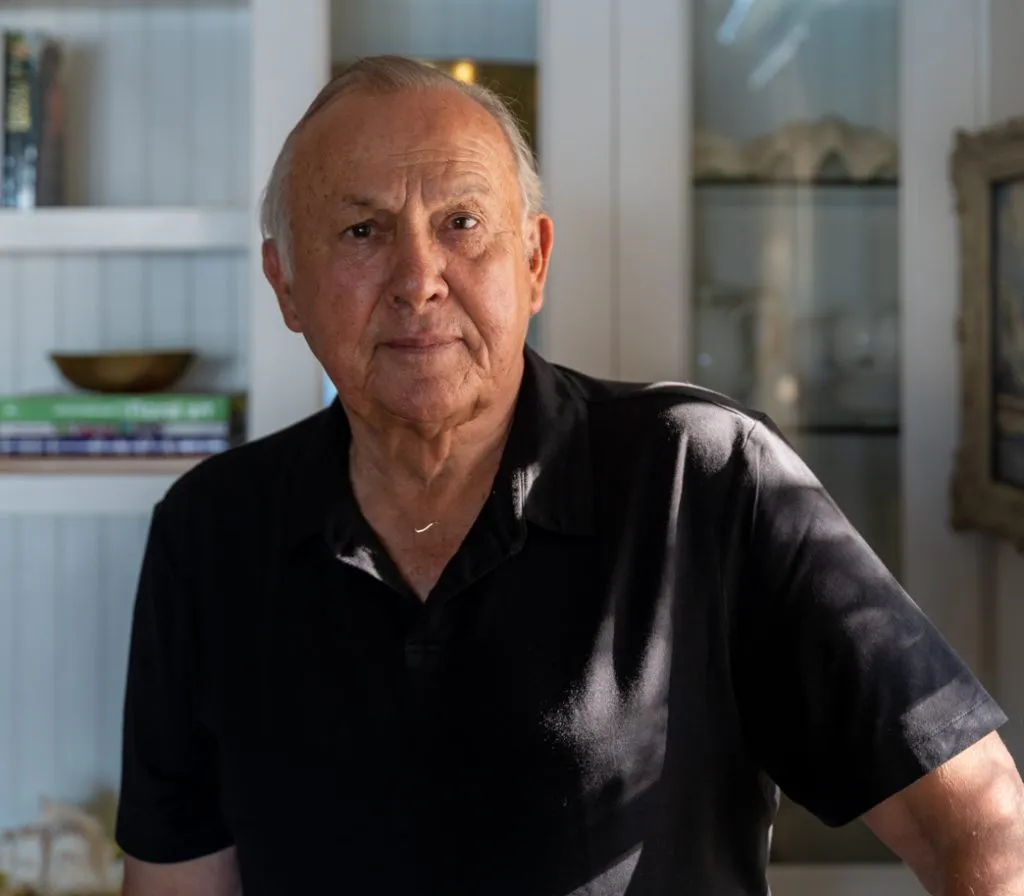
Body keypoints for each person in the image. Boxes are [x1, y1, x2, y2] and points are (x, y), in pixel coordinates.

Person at [115, 55, 1024, 895]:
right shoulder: (211, 531)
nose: (418, 277)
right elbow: (178, 885)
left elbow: (982, 826)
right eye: (362, 230)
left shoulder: (702, 474)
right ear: (285, 285)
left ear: (535, 259)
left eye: (462, 223)